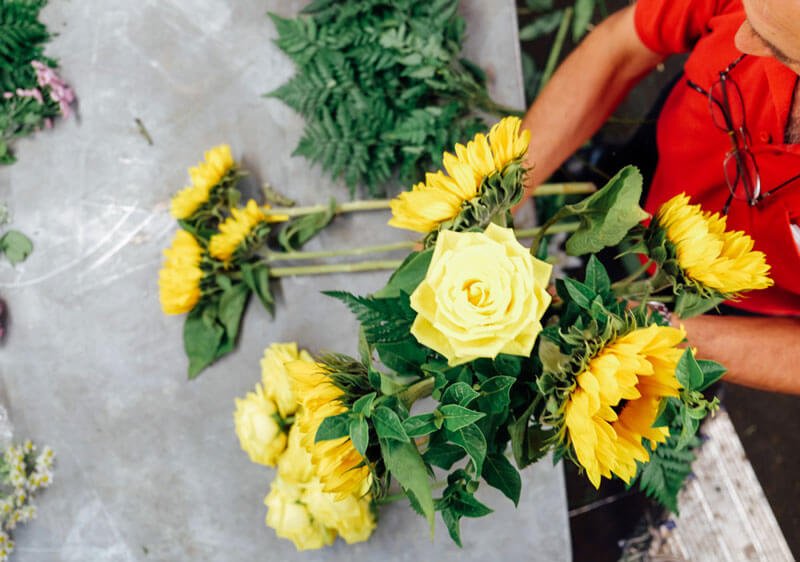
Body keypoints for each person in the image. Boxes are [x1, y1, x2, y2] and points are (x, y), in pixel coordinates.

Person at [520, 0, 800, 394]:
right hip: (656, 168)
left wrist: (665, 334)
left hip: (726, 305)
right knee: (613, 172)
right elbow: (622, 46)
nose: (741, 39)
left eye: (779, 50)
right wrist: (508, 183)